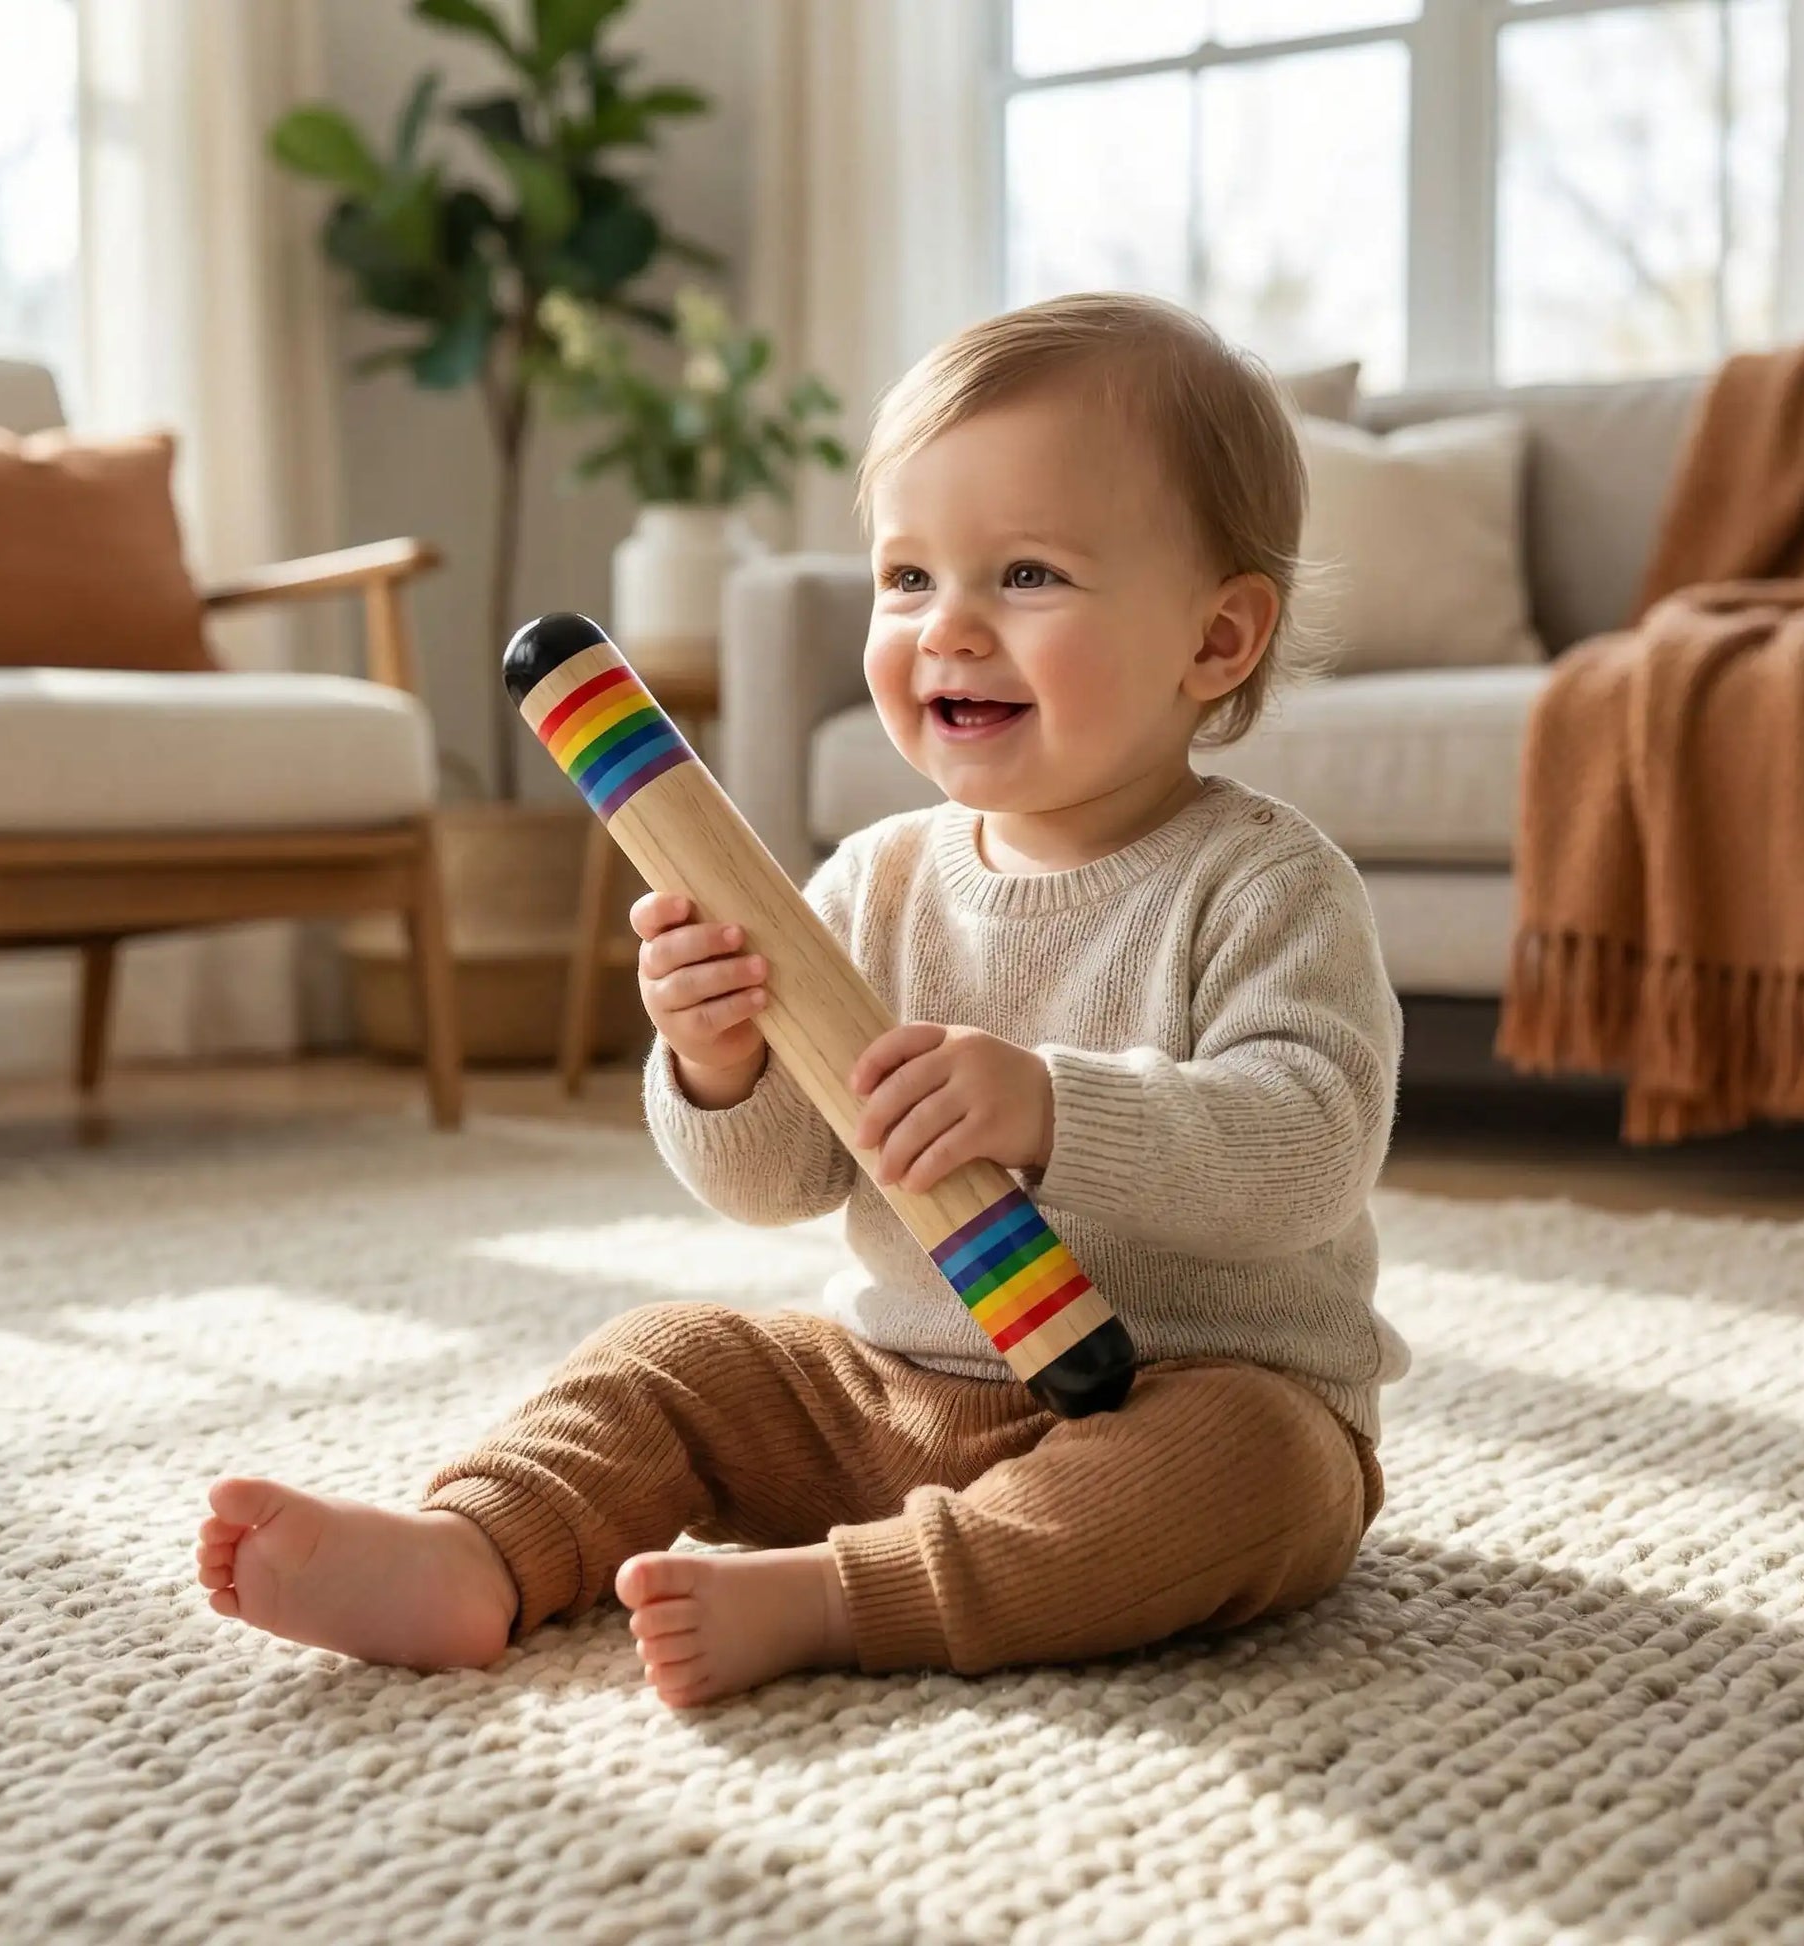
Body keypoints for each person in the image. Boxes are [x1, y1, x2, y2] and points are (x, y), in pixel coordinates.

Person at [194, 291, 1411, 1707]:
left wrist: (1047, 1104)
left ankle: (845, 1595)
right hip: (892, 1387)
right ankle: (476, 1547)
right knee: (674, 1354)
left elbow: (1309, 1148)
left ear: (1215, 640)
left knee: (1256, 1475)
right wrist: (715, 1061)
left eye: (1024, 574)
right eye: (905, 577)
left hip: (1185, 1392)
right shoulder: (870, 881)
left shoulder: (1264, 884)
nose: (945, 628)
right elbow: (773, 1182)